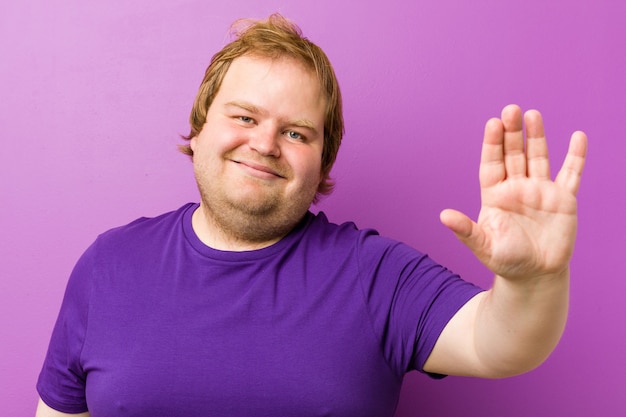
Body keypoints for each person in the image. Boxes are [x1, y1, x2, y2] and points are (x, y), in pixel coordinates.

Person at [35, 13, 588, 417]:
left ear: (322, 160)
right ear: (200, 126)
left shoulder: (376, 275)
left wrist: (536, 281)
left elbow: (502, 344)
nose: (266, 143)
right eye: (245, 116)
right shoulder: (108, 265)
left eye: (296, 132)